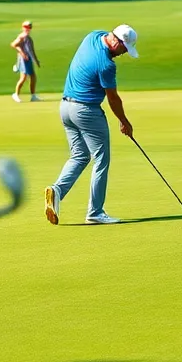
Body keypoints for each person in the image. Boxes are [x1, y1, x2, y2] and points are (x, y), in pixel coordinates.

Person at [44, 25, 138, 226]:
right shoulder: (106, 65)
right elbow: (113, 98)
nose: (123, 54)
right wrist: (124, 122)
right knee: (101, 159)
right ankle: (95, 212)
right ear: (117, 42)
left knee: (79, 156)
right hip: (87, 111)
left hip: (65, 108)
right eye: (124, 49)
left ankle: (57, 190)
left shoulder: (93, 36)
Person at [10, 20, 42, 103]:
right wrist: (22, 53)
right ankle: (16, 94)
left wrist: (36, 60)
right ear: (23, 27)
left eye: (29, 27)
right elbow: (13, 44)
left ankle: (33, 95)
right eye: (26, 27)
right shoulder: (22, 37)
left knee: (33, 76)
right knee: (23, 78)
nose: (28, 28)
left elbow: (32, 50)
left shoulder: (29, 38)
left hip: (28, 59)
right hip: (23, 59)